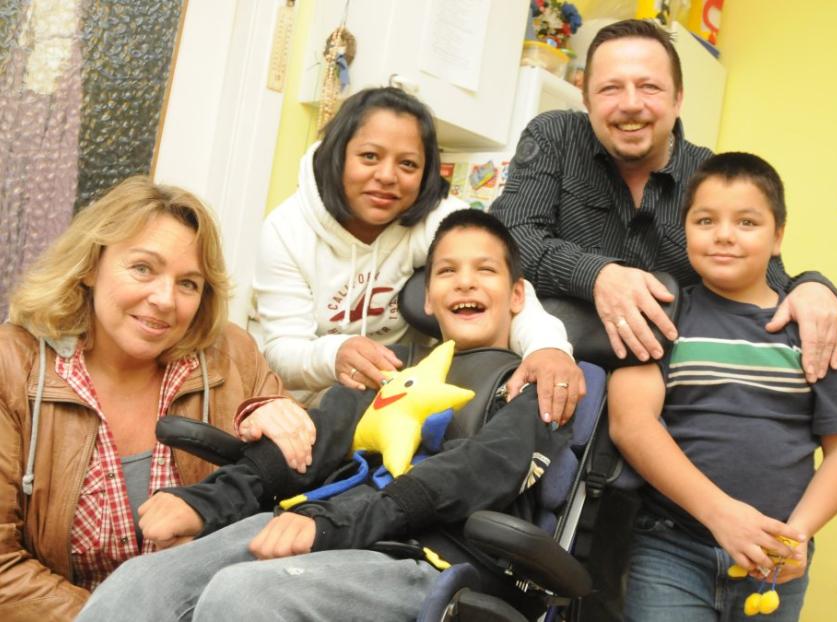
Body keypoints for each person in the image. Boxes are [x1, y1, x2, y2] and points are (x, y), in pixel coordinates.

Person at [77, 209, 571, 622]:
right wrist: (208, 502)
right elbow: (307, 445)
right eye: (446, 271)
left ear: (517, 296)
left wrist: (332, 524)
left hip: (428, 558)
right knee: (143, 583)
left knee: (246, 597)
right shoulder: (388, 371)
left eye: (485, 270)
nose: (465, 281)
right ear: (425, 297)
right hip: (325, 525)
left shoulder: (538, 385)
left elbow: (474, 472)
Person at [0, 177, 311, 621]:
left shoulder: (231, 356)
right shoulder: (12, 366)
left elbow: (302, 500)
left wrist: (288, 422)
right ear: (91, 265)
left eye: (188, 283)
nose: (165, 299)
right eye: (143, 268)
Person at [490, 19, 837, 383]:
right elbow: (506, 240)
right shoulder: (555, 136)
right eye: (611, 88)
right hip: (547, 363)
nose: (630, 104)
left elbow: (765, 277)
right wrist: (598, 275)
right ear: (586, 98)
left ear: (678, 98)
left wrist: (813, 287)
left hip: (664, 390)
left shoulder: (709, 175)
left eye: (649, 87)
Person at [609, 153, 837, 620]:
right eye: (705, 220)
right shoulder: (662, 315)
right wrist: (720, 515)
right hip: (672, 547)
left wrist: (797, 534)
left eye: (747, 222)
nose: (724, 234)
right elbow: (631, 424)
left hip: (774, 560)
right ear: (685, 228)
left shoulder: (816, 329)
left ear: (778, 236)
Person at [253, 86, 582, 426]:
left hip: (405, 403)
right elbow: (281, 352)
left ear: (426, 173)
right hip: (315, 411)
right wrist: (333, 353)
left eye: (408, 164)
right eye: (369, 156)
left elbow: (504, 283)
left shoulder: (437, 219)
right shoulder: (285, 229)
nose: (386, 176)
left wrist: (548, 347)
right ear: (338, 155)